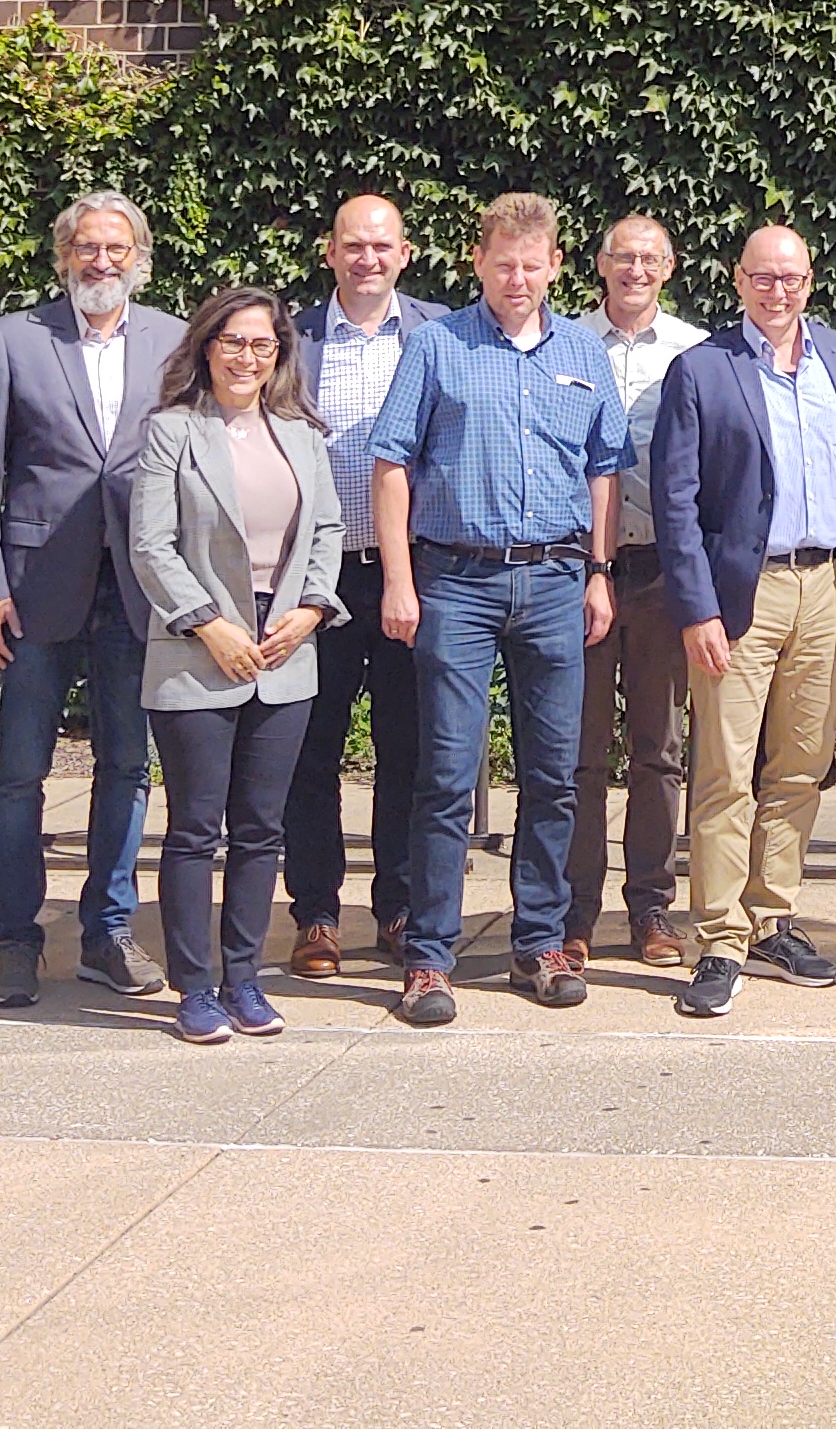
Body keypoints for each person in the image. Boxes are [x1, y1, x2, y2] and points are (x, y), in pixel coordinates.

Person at [368, 192, 625, 1027]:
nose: (518, 278)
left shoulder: (583, 349)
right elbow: (391, 465)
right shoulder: (438, 346)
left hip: (555, 582)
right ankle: (431, 957)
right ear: (478, 265)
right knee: (446, 777)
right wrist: (399, 581)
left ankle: (540, 941)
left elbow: (605, 469)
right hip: (456, 583)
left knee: (555, 776)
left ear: (556, 266)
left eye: (533, 263)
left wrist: (598, 571)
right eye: (503, 263)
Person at [0, 189, 183, 1006]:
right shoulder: (14, 340)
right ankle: (16, 939)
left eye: (117, 249)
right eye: (87, 249)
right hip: (33, 589)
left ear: (139, 258)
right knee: (20, 771)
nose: (102, 262)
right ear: (63, 257)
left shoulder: (171, 340)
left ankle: (108, 932)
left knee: (128, 765)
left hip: (138, 589)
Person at [654, 226, 836, 1018]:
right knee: (724, 770)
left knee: (801, 764)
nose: (777, 291)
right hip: (742, 594)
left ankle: (774, 914)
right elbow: (676, 502)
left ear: (811, 280)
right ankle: (717, 937)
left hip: (826, 583)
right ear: (738, 281)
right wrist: (697, 607)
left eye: (791, 277)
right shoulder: (702, 371)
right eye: (762, 278)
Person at [129, 287, 350, 1044]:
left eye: (261, 345)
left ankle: (244, 978)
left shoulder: (300, 434)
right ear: (206, 346)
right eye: (231, 342)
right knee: (194, 828)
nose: (245, 357)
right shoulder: (170, 433)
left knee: (260, 829)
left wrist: (312, 610)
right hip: (199, 651)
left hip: (285, 649)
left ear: (280, 354)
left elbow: (327, 528)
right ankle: (193, 987)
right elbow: (151, 545)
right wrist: (208, 623)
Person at [282, 194, 445, 978]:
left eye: (382, 246)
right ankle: (315, 912)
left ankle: (401, 907)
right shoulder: (291, 338)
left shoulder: (442, 334)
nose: (368, 259)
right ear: (331, 253)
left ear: (405, 254)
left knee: (408, 749)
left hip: (412, 571)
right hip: (318, 575)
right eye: (354, 246)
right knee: (308, 748)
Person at [568, 212, 708, 971]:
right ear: (600, 264)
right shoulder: (561, 343)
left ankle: (651, 905)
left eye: (650, 258)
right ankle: (575, 910)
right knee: (580, 754)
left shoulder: (695, 353)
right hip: (579, 571)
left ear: (669, 267)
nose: (635, 269)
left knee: (658, 750)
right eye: (623, 257)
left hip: (659, 570)